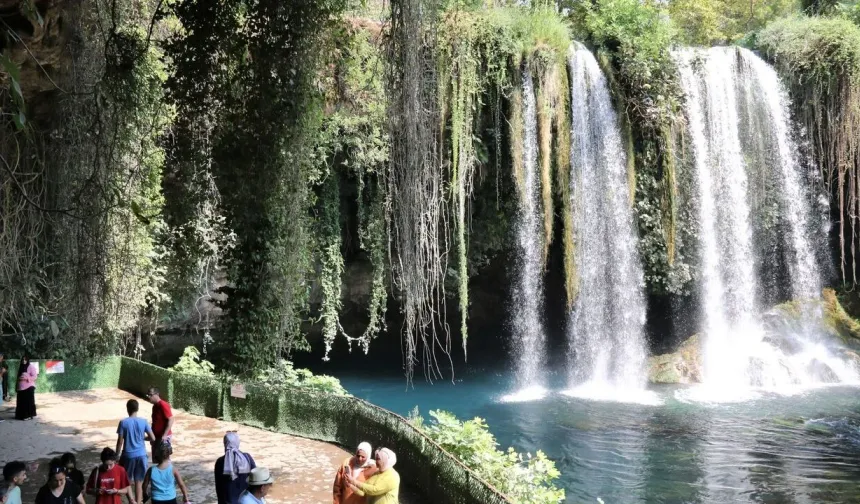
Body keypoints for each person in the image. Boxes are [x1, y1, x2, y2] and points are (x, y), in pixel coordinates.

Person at [117, 399, 154, 504]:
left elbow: (120, 442)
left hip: (128, 456)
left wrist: (116, 455)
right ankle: (138, 502)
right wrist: (143, 438)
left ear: (127, 409)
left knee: (127, 481)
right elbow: (153, 438)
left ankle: (131, 501)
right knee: (139, 481)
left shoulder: (123, 422)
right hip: (141, 455)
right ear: (137, 409)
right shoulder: (143, 421)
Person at [214, 432, 256, 504]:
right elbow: (256, 480)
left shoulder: (220, 462)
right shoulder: (247, 458)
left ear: (225, 444)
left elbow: (219, 488)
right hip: (246, 501)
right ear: (237, 443)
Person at [14, 355, 37, 420]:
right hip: (21, 388)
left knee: (28, 402)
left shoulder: (31, 367)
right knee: (21, 402)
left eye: (25, 360)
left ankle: (28, 415)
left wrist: (27, 378)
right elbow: (18, 378)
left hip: (29, 387)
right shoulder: (21, 367)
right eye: (23, 360)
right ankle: (21, 416)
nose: (24, 361)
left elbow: (35, 376)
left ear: (27, 360)